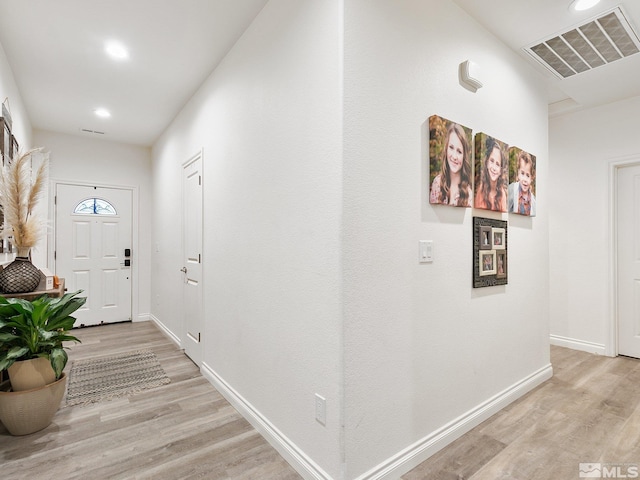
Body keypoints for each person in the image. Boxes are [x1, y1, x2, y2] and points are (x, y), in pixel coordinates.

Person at [430, 123, 472, 207]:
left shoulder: (469, 194)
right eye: (451, 148)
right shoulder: (437, 183)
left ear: (464, 156)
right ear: (446, 149)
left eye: (459, 151)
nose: (454, 156)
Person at [474, 136, 507, 212]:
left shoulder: (502, 194)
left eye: (498, 164)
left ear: (500, 171)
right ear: (487, 163)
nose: (494, 168)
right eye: (492, 161)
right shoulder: (481, 190)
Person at [508, 150, 536, 216]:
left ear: (532, 178)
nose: (525, 179)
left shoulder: (534, 201)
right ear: (518, 173)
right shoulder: (511, 190)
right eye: (522, 173)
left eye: (528, 175)